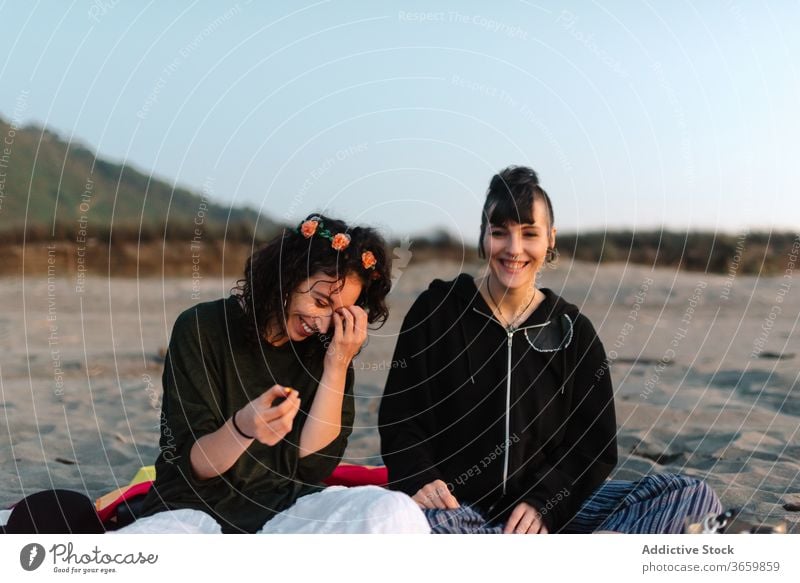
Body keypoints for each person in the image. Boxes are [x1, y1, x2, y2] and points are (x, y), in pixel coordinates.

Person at [379, 166, 722, 534]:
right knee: (419, 525)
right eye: (500, 233)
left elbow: (592, 445)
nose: (514, 249)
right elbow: (402, 419)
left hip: (544, 514)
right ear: (482, 237)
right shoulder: (437, 311)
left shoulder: (574, 332)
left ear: (550, 239)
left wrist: (545, 503)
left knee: (693, 497)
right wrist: (422, 478)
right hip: (453, 509)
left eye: (529, 234)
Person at [116, 213, 429, 534]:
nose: (322, 323)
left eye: (338, 314)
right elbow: (197, 466)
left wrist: (336, 365)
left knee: (395, 511)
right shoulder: (201, 327)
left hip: (284, 509)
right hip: (195, 509)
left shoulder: (328, 348)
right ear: (288, 276)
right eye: (320, 302)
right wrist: (244, 427)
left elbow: (312, 467)